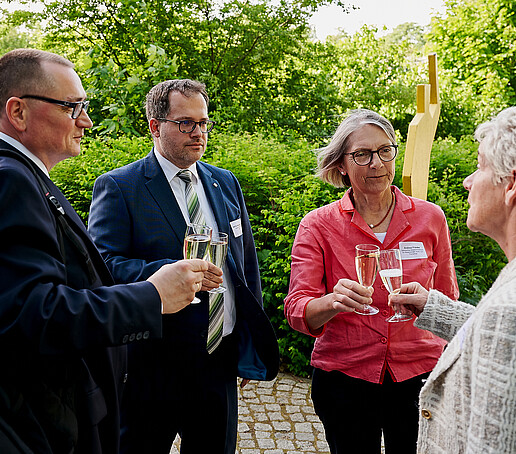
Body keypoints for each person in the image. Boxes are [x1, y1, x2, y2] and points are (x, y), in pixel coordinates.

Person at [0, 49, 216, 454]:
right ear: (18, 112)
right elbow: (30, 314)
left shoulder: (30, 178)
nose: (86, 120)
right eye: (71, 107)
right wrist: (152, 295)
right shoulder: (11, 181)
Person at [88, 78, 280, 454]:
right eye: (186, 123)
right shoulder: (119, 186)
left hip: (218, 358)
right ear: (154, 126)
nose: (199, 133)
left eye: (204, 123)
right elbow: (104, 266)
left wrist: (246, 337)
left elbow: (245, 266)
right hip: (152, 363)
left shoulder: (225, 182)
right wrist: (169, 272)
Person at [284, 109, 459, 454]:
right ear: (341, 166)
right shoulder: (318, 225)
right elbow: (297, 309)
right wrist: (332, 301)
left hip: (419, 373)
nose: (376, 163)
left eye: (384, 150)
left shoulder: (430, 218)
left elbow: (447, 298)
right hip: (346, 377)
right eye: (362, 154)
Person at [390, 107, 516, 453]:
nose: (468, 181)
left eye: (480, 166)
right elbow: (490, 335)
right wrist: (432, 306)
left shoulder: (507, 312)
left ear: (511, 185)